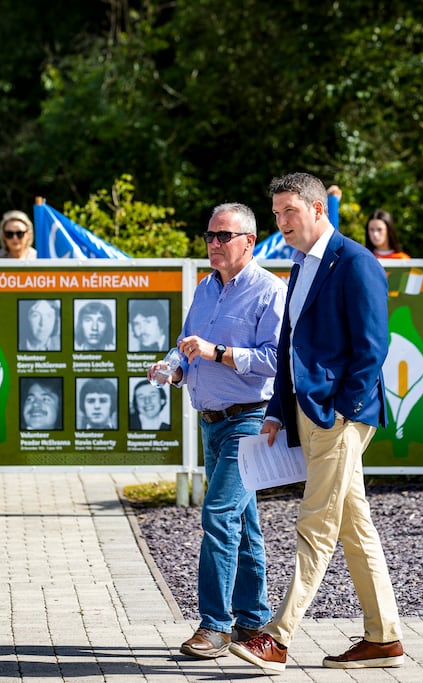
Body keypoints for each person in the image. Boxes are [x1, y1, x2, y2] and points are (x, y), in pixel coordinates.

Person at [229, 173, 403, 673]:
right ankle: (384, 637)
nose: (281, 222)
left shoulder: (356, 262)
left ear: (319, 209)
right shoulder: (299, 264)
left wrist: (343, 410)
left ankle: (277, 637)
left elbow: (373, 349)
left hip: (338, 415)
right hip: (308, 411)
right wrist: (279, 409)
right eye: (277, 213)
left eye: (290, 212)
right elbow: (290, 346)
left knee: (315, 522)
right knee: (354, 525)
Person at [147, 201, 285, 660]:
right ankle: (251, 620)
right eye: (209, 235)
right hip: (211, 421)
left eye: (223, 236)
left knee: (219, 516)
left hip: (250, 418)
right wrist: (173, 367)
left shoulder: (270, 291)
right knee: (243, 524)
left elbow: (276, 361)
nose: (213, 243)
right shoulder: (206, 288)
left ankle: (214, 627)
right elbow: (188, 347)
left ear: (249, 240)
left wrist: (218, 351)